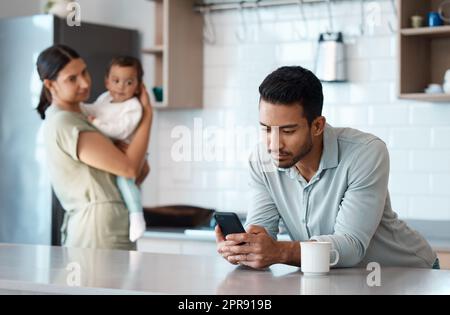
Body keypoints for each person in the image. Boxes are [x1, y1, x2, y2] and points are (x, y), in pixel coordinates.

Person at [216, 66, 439, 270]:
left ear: (317, 126)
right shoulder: (262, 159)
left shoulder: (366, 153)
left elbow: (350, 246)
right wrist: (245, 249)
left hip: (407, 276)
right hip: (341, 281)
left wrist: (279, 251)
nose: (274, 144)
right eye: (266, 129)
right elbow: (263, 231)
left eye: (288, 131)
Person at [36, 45, 152, 250]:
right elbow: (130, 168)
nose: (85, 82)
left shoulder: (85, 115)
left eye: (84, 72)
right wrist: (148, 115)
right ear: (50, 84)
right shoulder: (65, 122)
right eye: (72, 79)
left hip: (109, 224)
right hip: (98, 229)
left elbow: (138, 172)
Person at [80, 56, 147, 242]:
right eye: (116, 81)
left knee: (125, 181)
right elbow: (92, 109)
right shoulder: (104, 99)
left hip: (126, 153)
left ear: (138, 86)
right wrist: (79, 108)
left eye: (129, 82)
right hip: (110, 151)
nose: (121, 87)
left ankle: (137, 216)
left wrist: (96, 123)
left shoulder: (133, 107)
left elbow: (120, 130)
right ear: (107, 82)